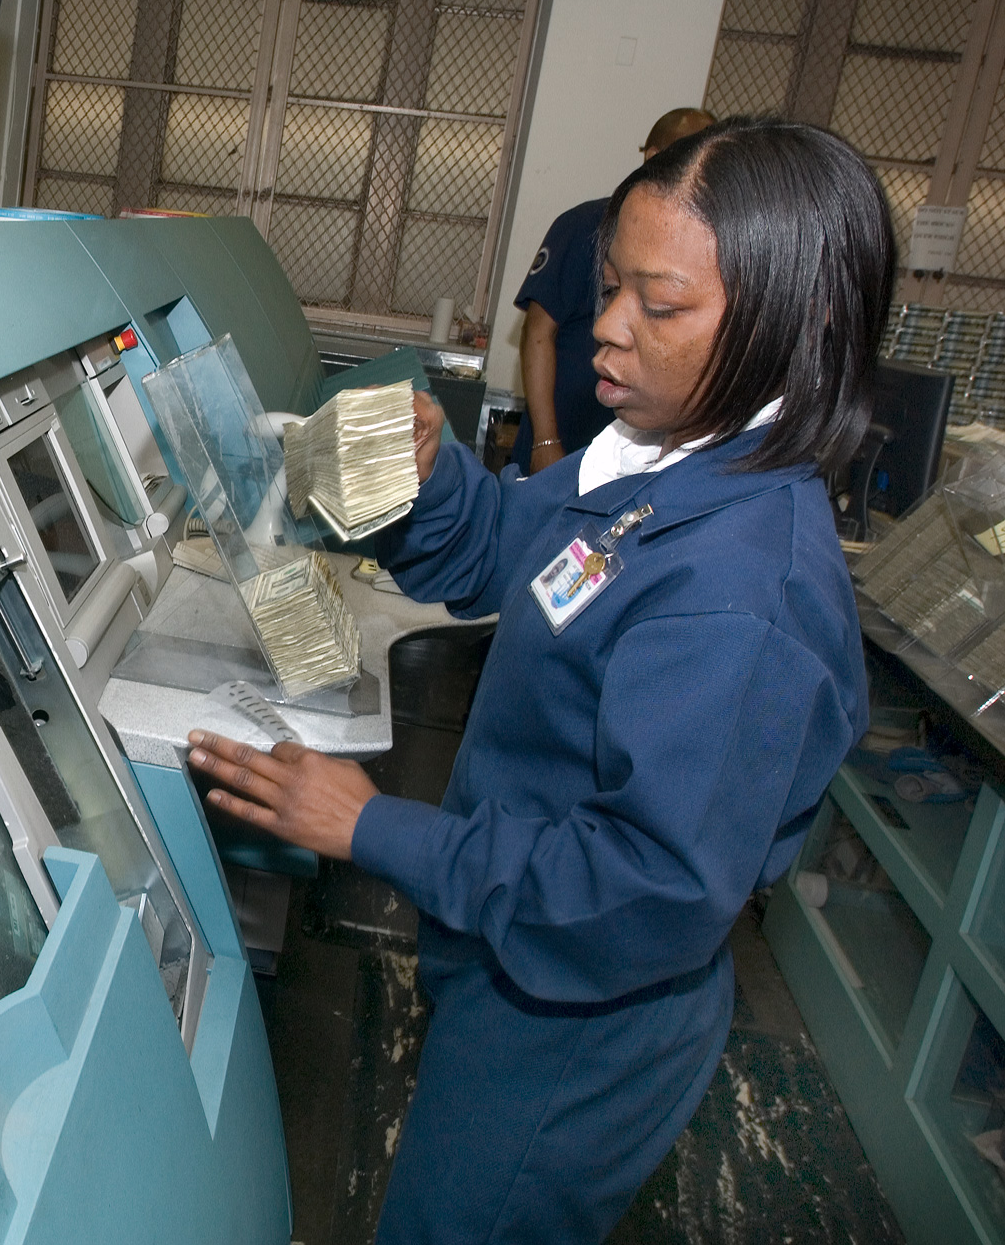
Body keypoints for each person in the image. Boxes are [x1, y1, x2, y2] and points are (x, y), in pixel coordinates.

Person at [186, 117, 889, 1242]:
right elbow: (510, 555)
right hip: (511, 952)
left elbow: (644, 888)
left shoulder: (738, 594)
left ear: (788, 323)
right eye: (610, 287)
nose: (602, 330)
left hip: (579, 1016)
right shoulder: (658, 479)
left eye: (657, 307)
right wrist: (419, 480)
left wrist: (375, 830)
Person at [511, 107, 716, 475]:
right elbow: (537, 334)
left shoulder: (705, 249)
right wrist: (546, 441)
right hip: (565, 444)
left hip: (638, 454)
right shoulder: (583, 226)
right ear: (654, 158)